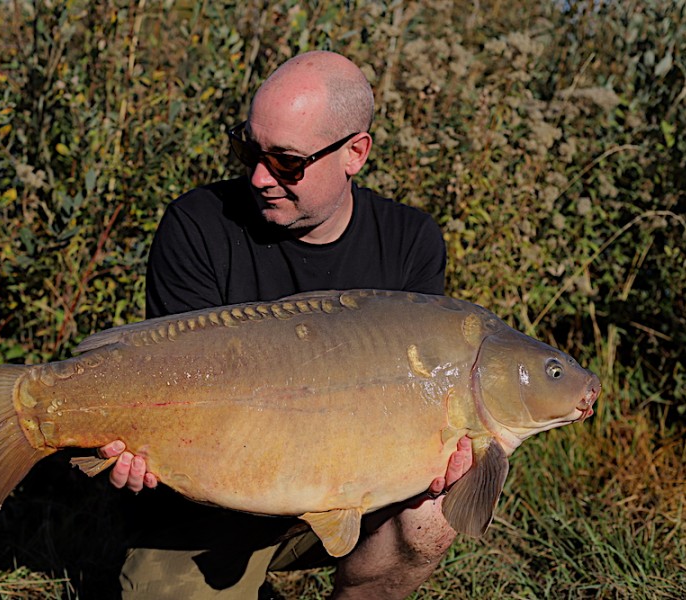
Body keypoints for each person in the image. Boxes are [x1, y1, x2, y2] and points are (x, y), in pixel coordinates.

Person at [98, 51, 473, 599]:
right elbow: (171, 388)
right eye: (249, 149)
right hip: (217, 491)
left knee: (430, 520)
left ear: (355, 153)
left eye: (287, 162)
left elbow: (422, 396)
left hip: (356, 489)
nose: (258, 176)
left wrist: (450, 445)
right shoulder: (198, 225)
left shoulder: (410, 242)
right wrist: (144, 444)